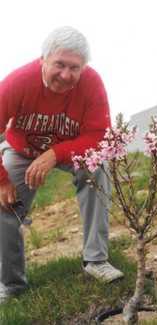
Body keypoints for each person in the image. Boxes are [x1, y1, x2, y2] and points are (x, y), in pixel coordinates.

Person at [0, 26, 124, 304]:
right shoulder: (17, 82)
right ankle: (11, 283)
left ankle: (96, 260)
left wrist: (56, 153)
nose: (66, 75)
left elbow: (98, 136)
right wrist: (2, 180)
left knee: (98, 168)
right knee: (3, 205)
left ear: (84, 68)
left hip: (68, 151)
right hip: (22, 151)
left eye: (74, 67)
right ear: (43, 59)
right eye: (59, 64)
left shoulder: (91, 84)